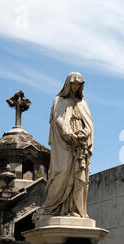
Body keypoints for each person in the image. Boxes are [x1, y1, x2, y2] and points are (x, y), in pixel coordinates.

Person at [42, 72, 93, 218]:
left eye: (79, 84)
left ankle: (74, 209)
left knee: (79, 176)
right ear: (67, 84)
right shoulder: (59, 101)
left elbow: (90, 124)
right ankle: (53, 207)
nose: (76, 87)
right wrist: (69, 134)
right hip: (65, 144)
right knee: (62, 171)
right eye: (73, 84)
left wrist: (84, 134)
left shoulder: (83, 104)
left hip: (80, 145)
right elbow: (58, 120)